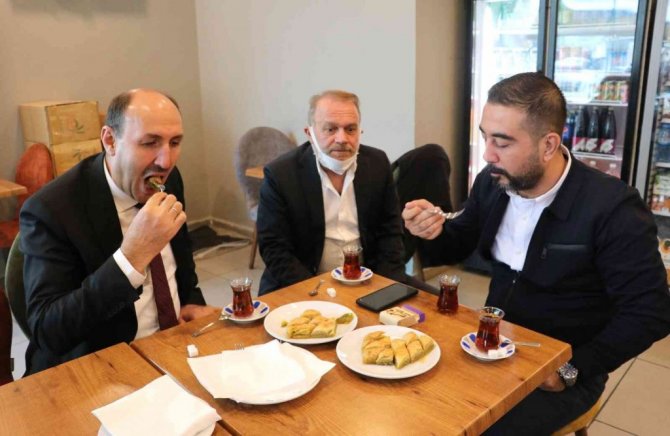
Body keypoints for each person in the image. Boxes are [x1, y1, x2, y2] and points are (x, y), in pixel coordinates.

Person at [402, 72, 670, 434]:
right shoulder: (493, 182)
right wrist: (430, 231)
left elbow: (650, 312)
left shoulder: (612, 208)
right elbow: (459, 243)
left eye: (502, 142)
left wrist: (571, 370)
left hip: (564, 367)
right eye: (485, 136)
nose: (488, 154)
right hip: (490, 342)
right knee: (414, 398)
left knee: (471, 427)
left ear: (548, 145)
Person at [20, 89, 215, 375]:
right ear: (110, 140)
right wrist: (130, 258)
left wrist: (192, 301)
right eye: (149, 143)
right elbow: (48, 330)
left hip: (174, 347)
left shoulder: (168, 179)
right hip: (100, 366)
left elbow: (182, 264)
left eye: (175, 142)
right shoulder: (52, 209)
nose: (166, 161)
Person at [257, 89, 430, 295]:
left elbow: (390, 233)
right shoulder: (281, 174)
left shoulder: (377, 163)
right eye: (330, 129)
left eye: (350, 129)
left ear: (359, 131)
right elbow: (274, 248)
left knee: (437, 305)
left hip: (368, 279)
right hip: (303, 283)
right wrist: (316, 292)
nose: (341, 138)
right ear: (310, 133)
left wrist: (384, 288)